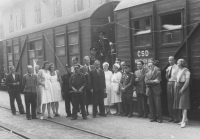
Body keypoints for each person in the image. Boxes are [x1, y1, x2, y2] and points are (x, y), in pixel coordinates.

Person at [174, 59, 190, 128]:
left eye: (178, 62)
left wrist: (182, 89)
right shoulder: (179, 70)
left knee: (184, 105)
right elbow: (176, 80)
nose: (177, 64)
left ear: (181, 63)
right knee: (181, 104)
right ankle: (185, 119)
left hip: (184, 89)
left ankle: (183, 122)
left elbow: (187, 82)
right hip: (178, 88)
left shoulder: (187, 71)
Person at [166, 56, 180, 123]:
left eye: (172, 60)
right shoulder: (168, 68)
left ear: (174, 60)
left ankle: (176, 118)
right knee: (170, 101)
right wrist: (168, 78)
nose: (170, 61)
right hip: (169, 83)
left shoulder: (177, 67)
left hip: (175, 83)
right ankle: (171, 117)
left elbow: (179, 77)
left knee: (175, 100)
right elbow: (167, 77)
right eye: (169, 60)